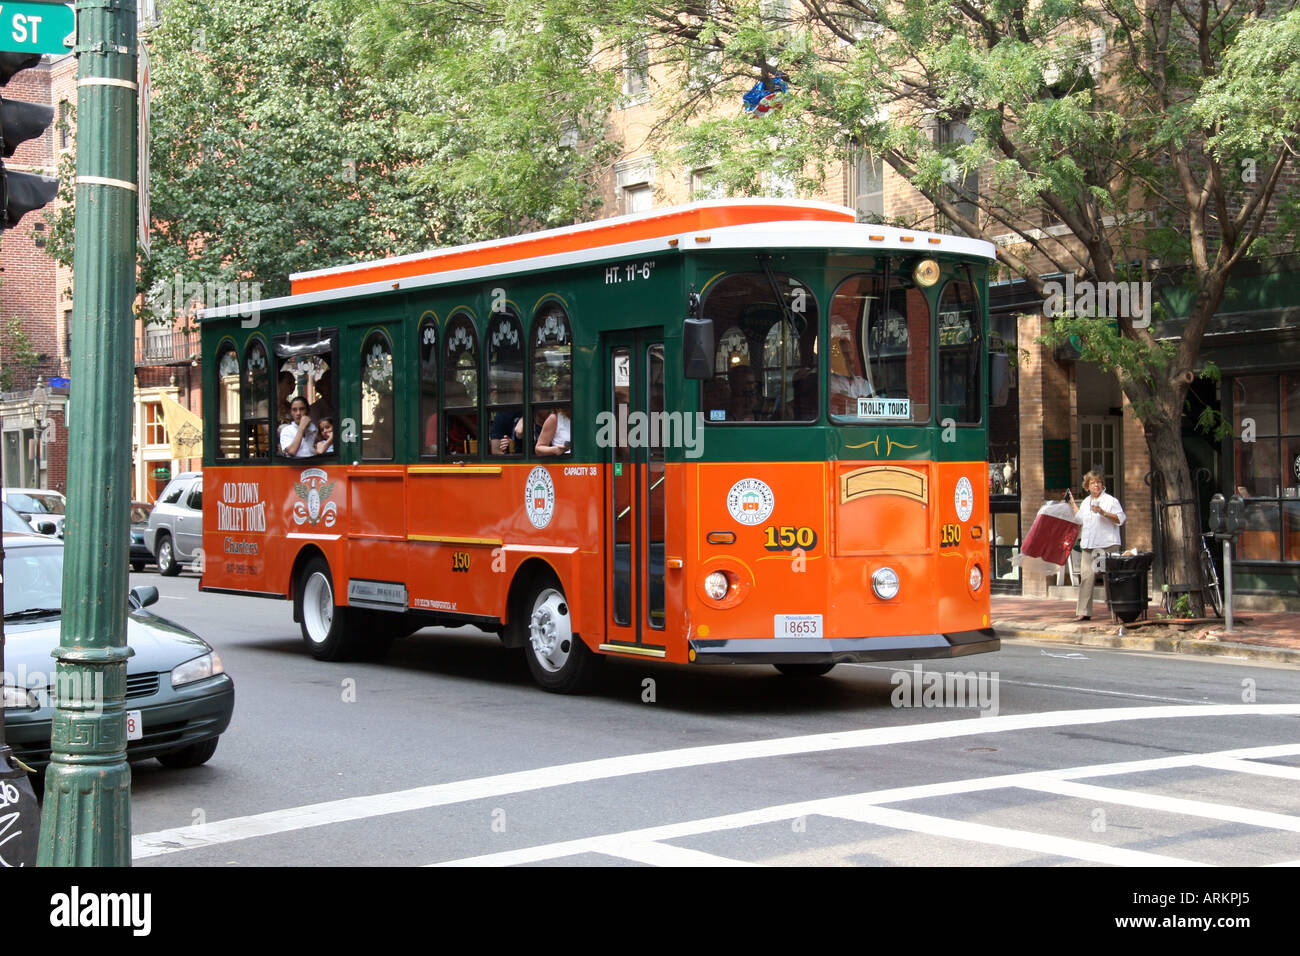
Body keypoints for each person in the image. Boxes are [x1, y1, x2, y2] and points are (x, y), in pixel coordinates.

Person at [1069, 470, 1126, 621]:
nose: (1096, 485)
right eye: (1092, 483)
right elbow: (1080, 519)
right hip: (1089, 545)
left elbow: (1120, 519)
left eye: (1099, 482)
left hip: (1107, 544)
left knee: (1111, 579)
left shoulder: (1111, 501)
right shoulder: (1086, 502)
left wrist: (1103, 512)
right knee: (1086, 578)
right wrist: (1073, 505)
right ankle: (1083, 612)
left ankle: (1119, 611)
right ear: (1087, 486)